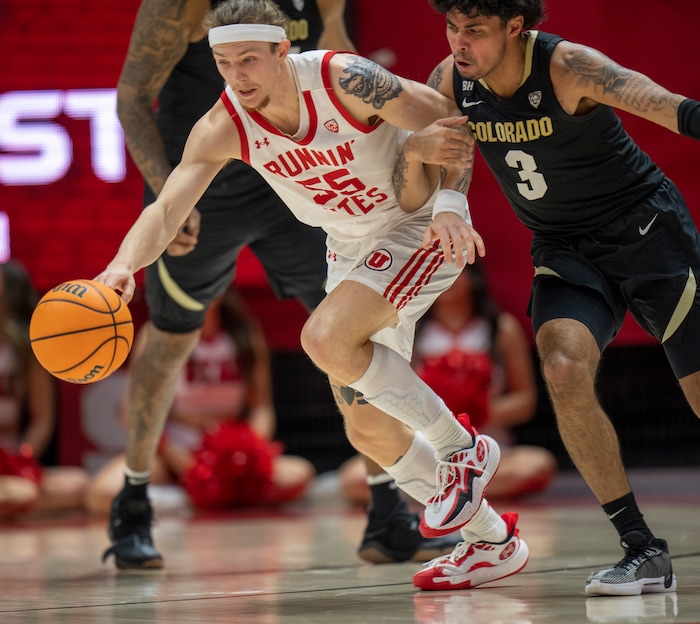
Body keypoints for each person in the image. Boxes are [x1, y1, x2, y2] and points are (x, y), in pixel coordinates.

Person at [95, 0, 531, 591]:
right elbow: (170, 206)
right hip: (347, 248)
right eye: (224, 62)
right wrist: (121, 267)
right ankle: (490, 541)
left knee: (324, 337)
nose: (238, 75)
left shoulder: (344, 78)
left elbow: (452, 115)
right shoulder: (224, 123)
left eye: (249, 59)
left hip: (412, 223)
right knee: (368, 430)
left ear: (282, 49)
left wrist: (452, 203)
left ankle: (463, 449)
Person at [405, 0, 700, 596]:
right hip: (566, 247)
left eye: (476, 31)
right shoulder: (451, 79)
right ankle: (643, 549)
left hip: (647, 233)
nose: (459, 43)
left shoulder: (570, 66)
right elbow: (448, 157)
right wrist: (443, 193)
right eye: (452, 27)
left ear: (518, 28)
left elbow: (672, 109)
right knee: (562, 367)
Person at [338, 261, 557, 505]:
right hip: (425, 445)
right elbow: (390, 394)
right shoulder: (408, 329)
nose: (445, 280)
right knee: (355, 478)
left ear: (472, 276)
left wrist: (475, 413)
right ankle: (461, 491)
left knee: (536, 466)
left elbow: (525, 400)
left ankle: (436, 492)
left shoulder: (501, 329)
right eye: (436, 274)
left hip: (486, 446)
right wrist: (436, 417)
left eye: (453, 272)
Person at [84, 285, 315, 516]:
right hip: (169, 454)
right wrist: (186, 464)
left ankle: (212, 496)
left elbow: (262, 409)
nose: (203, 283)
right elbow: (134, 414)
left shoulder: (244, 332)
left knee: (299, 475)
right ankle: (188, 501)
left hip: (230, 456)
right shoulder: (156, 335)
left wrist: (246, 456)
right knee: (105, 493)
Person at [0, 260, 88, 518]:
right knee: (21, 494)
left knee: (78, 484)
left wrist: (19, 460)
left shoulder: (26, 349)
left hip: (8, 458)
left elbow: (42, 420)